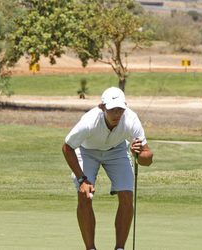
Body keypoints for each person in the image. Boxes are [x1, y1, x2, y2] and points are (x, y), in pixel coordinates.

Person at [62, 87, 153, 250]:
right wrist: (82, 179)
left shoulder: (131, 119)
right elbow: (67, 147)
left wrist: (138, 154)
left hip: (117, 150)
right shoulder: (89, 122)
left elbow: (148, 159)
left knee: (126, 195)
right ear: (102, 107)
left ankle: (120, 248)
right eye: (112, 110)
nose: (117, 114)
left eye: (120, 109)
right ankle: (90, 248)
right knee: (85, 196)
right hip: (87, 151)